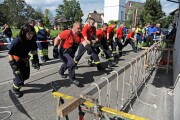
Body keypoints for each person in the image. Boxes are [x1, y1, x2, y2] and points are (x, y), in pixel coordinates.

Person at [8, 24, 40, 98]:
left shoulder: (32, 40)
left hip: (25, 59)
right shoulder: (17, 41)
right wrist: (14, 65)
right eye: (29, 34)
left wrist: (36, 60)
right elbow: (10, 54)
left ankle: (16, 80)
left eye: (32, 33)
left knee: (26, 76)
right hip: (16, 60)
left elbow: (34, 51)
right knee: (20, 79)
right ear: (23, 33)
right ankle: (15, 89)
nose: (31, 36)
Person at [53, 22, 84, 86]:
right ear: (73, 27)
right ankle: (72, 79)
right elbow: (57, 39)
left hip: (71, 53)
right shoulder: (67, 32)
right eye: (78, 28)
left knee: (67, 63)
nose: (80, 30)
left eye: (81, 28)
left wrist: (89, 47)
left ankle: (61, 72)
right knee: (71, 64)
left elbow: (84, 42)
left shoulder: (80, 35)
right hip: (64, 52)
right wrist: (55, 48)